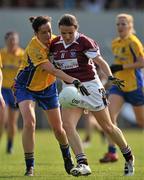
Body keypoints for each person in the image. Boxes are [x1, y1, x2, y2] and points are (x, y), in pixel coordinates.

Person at [50, 13, 135, 177]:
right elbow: (52, 67)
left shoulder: (84, 41)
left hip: (90, 87)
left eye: (70, 32)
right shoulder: (54, 45)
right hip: (70, 89)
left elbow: (101, 62)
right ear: (59, 31)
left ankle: (128, 156)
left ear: (76, 29)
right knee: (67, 125)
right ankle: (83, 164)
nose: (67, 36)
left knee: (108, 127)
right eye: (63, 33)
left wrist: (110, 77)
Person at [14, 15, 89, 176]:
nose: (48, 35)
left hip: (48, 88)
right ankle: (30, 166)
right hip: (26, 87)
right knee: (29, 122)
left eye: (50, 31)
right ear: (36, 34)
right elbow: (54, 70)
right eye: (43, 33)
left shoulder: (56, 41)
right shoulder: (34, 47)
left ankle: (67, 159)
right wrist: (75, 82)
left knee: (59, 130)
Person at [99, 13, 144, 163]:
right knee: (110, 118)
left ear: (130, 26)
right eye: (118, 24)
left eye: (123, 24)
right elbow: (118, 65)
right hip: (119, 86)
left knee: (141, 121)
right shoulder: (115, 42)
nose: (120, 26)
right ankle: (112, 153)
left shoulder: (133, 42)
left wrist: (122, 66)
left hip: (135, 86)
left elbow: (142, 62)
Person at [0, 31, 24, 154]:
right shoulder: (2, 54)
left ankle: (10, 145)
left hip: (15, 91)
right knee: (1, 118)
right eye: (10, 40)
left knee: (12, 121)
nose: (12, 42)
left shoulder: (22, 55)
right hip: (3, 90)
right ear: (6, 41)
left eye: (14, 40)